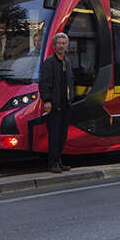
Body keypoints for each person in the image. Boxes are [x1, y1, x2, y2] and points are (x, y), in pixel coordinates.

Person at [38, 32, 74, 173]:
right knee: (54, 135)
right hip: (54, 104)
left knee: (62, 136)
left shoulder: (68, 61)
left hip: (66, 104)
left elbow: (70, 81)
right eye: (58, 43)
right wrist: (47, 100)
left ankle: (58, 161)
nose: (61, 46)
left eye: (63, 43)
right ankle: (52, 163)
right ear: (54, 46)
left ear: (66, 46)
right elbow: (44, 84)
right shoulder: (49, 62)